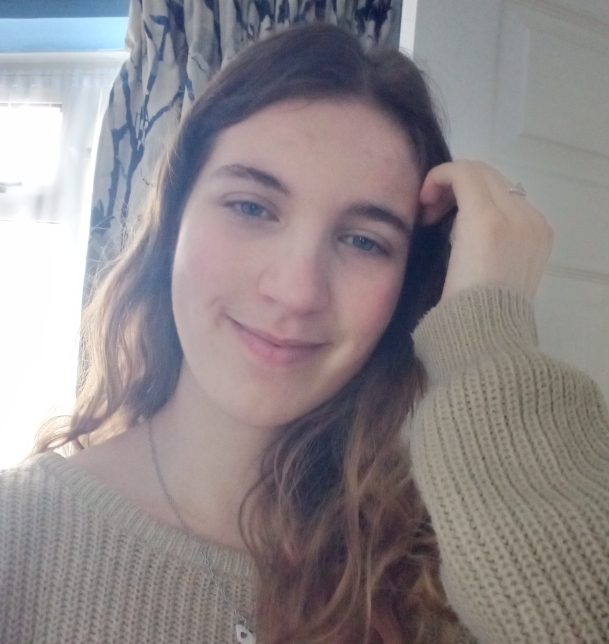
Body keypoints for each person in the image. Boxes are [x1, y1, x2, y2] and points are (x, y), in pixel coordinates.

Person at [0, 23, 607, 644]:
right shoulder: (16, 539)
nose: (296, 291)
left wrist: (488, 339)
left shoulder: (448, 569)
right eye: (251, 207)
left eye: (363, 241)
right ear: (174, 217)